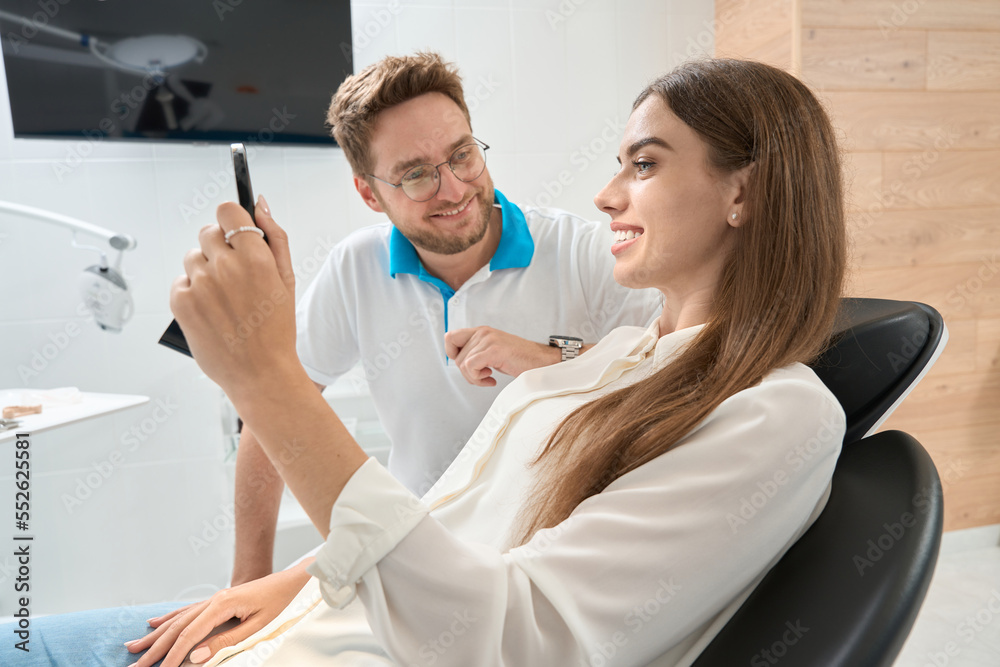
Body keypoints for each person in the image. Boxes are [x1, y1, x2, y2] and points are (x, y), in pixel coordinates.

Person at [2, 58, 847, 667]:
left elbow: (515, 638)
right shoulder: (633, 357)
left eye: (645, 162)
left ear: (746, 192)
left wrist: (263, 377)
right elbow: (454, 503)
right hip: (356, 591)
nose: (607, 192)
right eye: (414, 174)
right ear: (372, 193)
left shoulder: (775, 410)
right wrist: (286, 578)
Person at [231, 52, 662, 586]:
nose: (454, 189)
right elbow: (272, 409)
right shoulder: (355, 269)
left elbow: (669, 371)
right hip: (414, 552)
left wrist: (549, 361)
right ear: (369, 192)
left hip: (547, 557)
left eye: (463, 156)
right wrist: (247, 580)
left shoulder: (579, 252)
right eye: (415, 175)